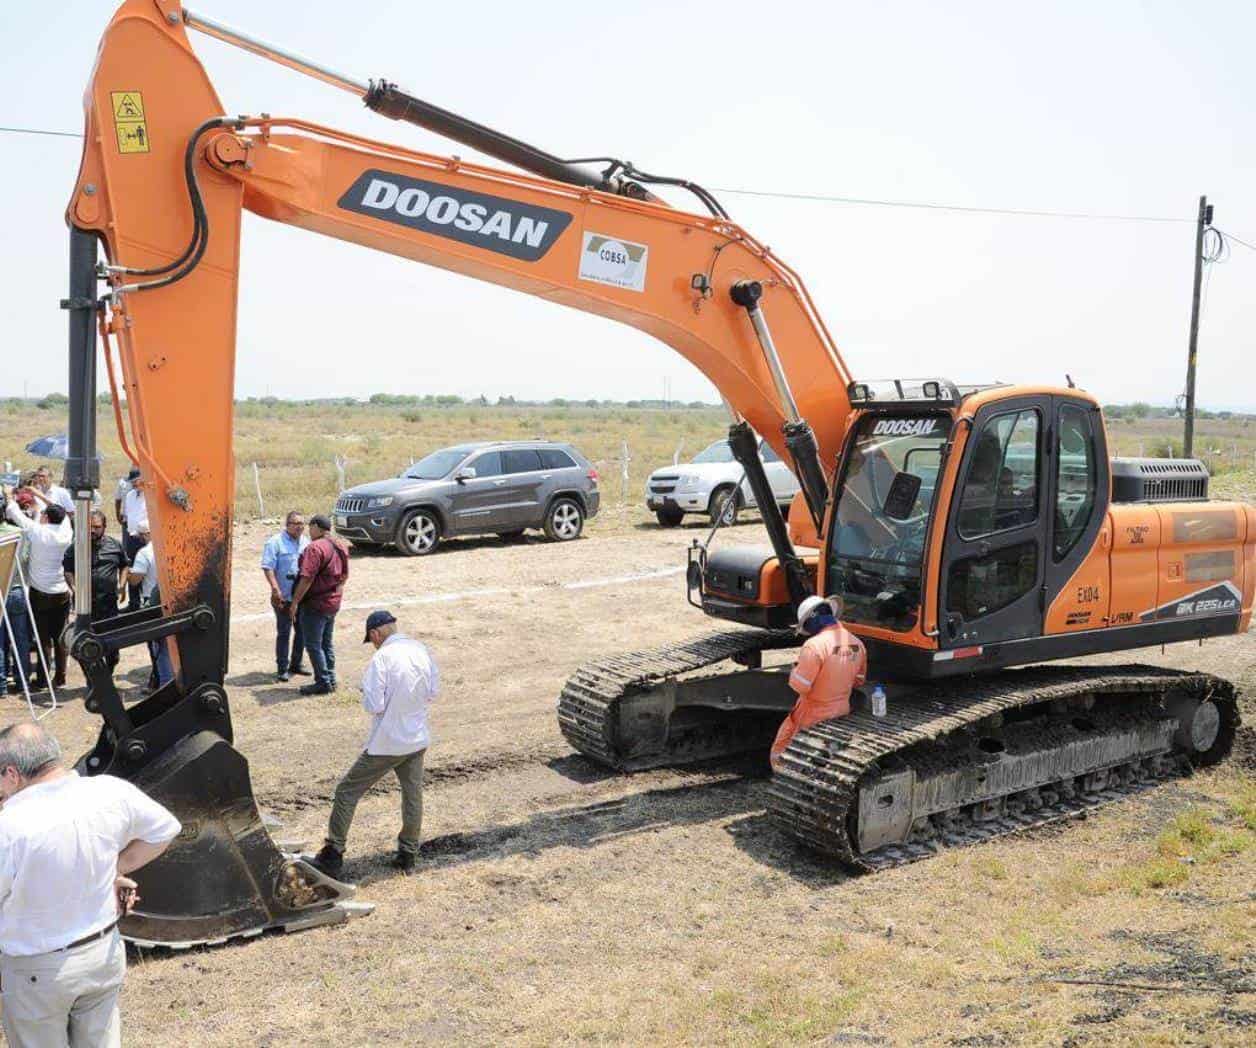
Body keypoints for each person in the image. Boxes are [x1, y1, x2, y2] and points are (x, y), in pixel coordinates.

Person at [0, 721, 180, 1048]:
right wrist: (116, 867)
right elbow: (165, 829)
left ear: (12, 774)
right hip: (102, 953)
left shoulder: (10, 825)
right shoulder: (110, 791)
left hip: (38, 969)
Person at [310, 610, 437, 878]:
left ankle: (333, 853)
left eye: (372, 640)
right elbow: (433, 692)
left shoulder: (382, 659)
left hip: (387, 742)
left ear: (375, 634)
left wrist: (367, 693)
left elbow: (374, 705)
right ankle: (408, 853)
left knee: (347, 791)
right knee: (412, 795)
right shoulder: (421, 649)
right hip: (416, 737)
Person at [769, 595, 867, 771]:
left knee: (784, 751)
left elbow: (800, 685)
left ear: (813, 619)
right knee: (828, 757)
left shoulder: (814, 646)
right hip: (841, 711)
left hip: (812, 714)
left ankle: (785, 779)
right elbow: (859, 681)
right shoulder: (857, 644)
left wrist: (795, 670)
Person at [5, 486, 73, 690]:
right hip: (61, 591)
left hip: (40, 593)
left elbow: (14, 513)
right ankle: (60, 675)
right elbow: (58, 511)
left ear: (45, 517)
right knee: (60, 637)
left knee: (43, 638)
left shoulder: (37, 532)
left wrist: (9, 495)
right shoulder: (65, 531)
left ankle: (42, 679)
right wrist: (39, 494)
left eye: (43, 513)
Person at [289, 515, 349, 696]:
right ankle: (330, 678)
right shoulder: (340, 545)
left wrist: (295, 602)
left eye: (310, 527)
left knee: (314, 645)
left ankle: (322, 682)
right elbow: (344, 576)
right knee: (326, 643)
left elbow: (307, 578)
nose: (309, 531)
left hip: (315, 604)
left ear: (316, 527)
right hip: (332, 602)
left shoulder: (314, 548)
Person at [63, 510, 129, 668]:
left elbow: (124, 565)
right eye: (90, 527)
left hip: (108, 603)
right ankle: (92, 679)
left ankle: (109, 670)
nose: (93, 530)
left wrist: (122, 586)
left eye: (97, 527)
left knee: (112, 645)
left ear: (104, 527)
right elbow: (67, 570)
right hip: (85, 605)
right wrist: (74, 588)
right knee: (87, 643)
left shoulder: (115, 545)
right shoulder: (76, 547)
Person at [260, 510, 310, 682]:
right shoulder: (275, 542)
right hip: (283, 597)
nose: (299, 527)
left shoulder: (306, 542)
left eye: (302, 523)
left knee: (302, 631)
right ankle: (282, 668)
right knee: (284, 632)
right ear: (287, 525)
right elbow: (268, 567)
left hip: (301, 597)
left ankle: (296, 664)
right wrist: (275, 589)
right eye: (295, 523)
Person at [126, 521, 173, 689]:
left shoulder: (144, 553)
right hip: (173, 601)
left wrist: (127, 573)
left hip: (152, 604)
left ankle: (165, 686)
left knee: (159, 650)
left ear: (146, 535)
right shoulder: (170, 545)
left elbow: (136, 580)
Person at [0, 490, 34, 694]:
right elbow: (26, 556)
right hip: (17, 590)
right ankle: (23, 682)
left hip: (3, 591)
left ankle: (2, 684)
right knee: (21, 639)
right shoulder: (18, 532)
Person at [120, 469, 147, 611]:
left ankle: (146, 602)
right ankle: (134, 603)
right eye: (132, 482)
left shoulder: (150, 495)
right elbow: (127, 515)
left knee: (146, 569)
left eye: (136, 481)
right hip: (131, 537)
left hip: (146, 539)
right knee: (131, 569)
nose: (134, 484)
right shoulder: (130, 495)